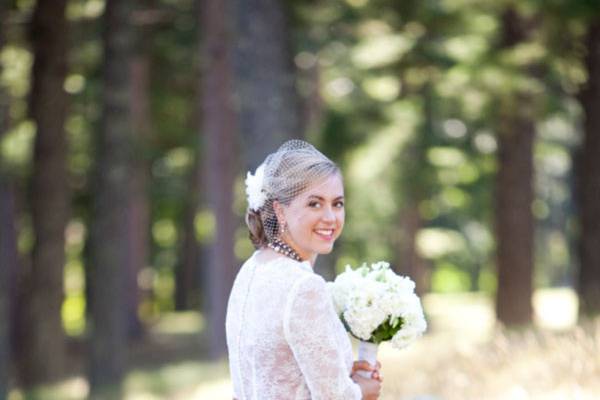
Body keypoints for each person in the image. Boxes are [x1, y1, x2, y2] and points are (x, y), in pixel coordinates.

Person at [226, 140, 382, 399]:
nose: (331, 217)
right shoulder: (303, 286)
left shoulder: (252, 269)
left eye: (338, 203)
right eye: (314, 203)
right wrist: (364, 390)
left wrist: (341, 371)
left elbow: (276, 367)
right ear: (279, 209)